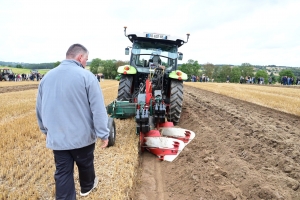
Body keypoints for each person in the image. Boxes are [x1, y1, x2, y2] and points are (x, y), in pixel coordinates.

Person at [36, 44, 109, 199]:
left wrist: (44, 130)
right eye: (86, 60)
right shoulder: (87, 77)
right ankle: (86, 187)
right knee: (85, 164)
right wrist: (103, 134)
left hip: (58, 138)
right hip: (82, 138)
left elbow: (40, 108)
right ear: (80, 57)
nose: (86, 63)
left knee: (62, 173)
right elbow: (98, 109)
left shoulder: (47, 77)